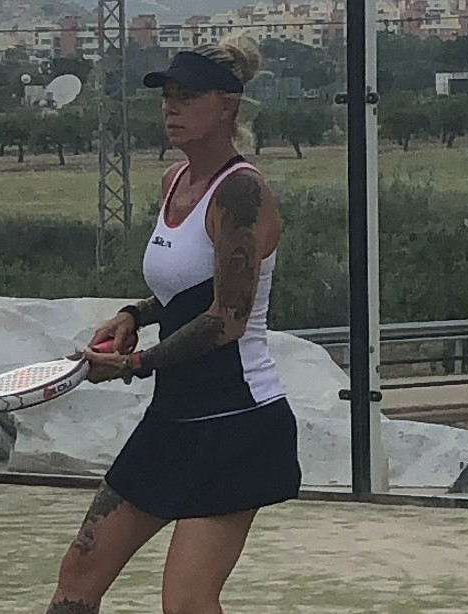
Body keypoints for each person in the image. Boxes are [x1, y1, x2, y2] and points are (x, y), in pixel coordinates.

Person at [46, 36, 301, 614]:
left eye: (187, 96)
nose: (171, 108)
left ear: (227, 105)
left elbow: (227, 318)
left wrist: (133, 365)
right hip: (172, 421)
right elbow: (183, 289)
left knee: (186, 602)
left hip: (238, 425)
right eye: (167, 96)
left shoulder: (241, 193)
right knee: (77, 577)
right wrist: (134, 314)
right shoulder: (173, 181)